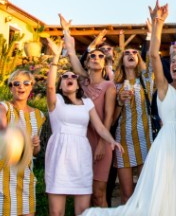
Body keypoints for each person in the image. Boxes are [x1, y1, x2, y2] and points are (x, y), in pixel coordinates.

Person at [83, 1, 176, 215]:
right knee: (159, 191)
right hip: (167, 144)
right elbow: (154, 55)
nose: (175, 63)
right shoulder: (163, 87)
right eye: (173, 60)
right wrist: (158, 23)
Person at [44, 28, 123, 216]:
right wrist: (65, 34)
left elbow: (106, 121)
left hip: (98, 142)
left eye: (100, 56)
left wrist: (107, 142)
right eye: (92, 56)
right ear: (86, 63)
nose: (96, 58)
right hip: (78, 144)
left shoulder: (108, 86)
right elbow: (71, 62)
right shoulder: (82, 83)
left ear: (105, 63)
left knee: (98, 194)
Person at [0, 69, 45, 216]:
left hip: (25, 173)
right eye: (16, 83)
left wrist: (36, 145)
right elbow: (2, 126)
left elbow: (35, 153)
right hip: (3, 173)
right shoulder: (4, 107)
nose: (21, 87)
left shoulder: (39, 115)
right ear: (11, 88)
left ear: (31, 86)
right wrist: (11, 133)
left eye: (26, 83)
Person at [112, 41, 153, 203]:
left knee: (146, 191)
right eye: (127, 53)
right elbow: (112, 119)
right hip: (123, 142)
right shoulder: (115, 86)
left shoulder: (147, 81)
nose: (131, 55)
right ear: (122, 60)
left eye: (134, 53)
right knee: (127, 193)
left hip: (145, 139)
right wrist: (120, 102)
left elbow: (153, 54)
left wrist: (154, 29)